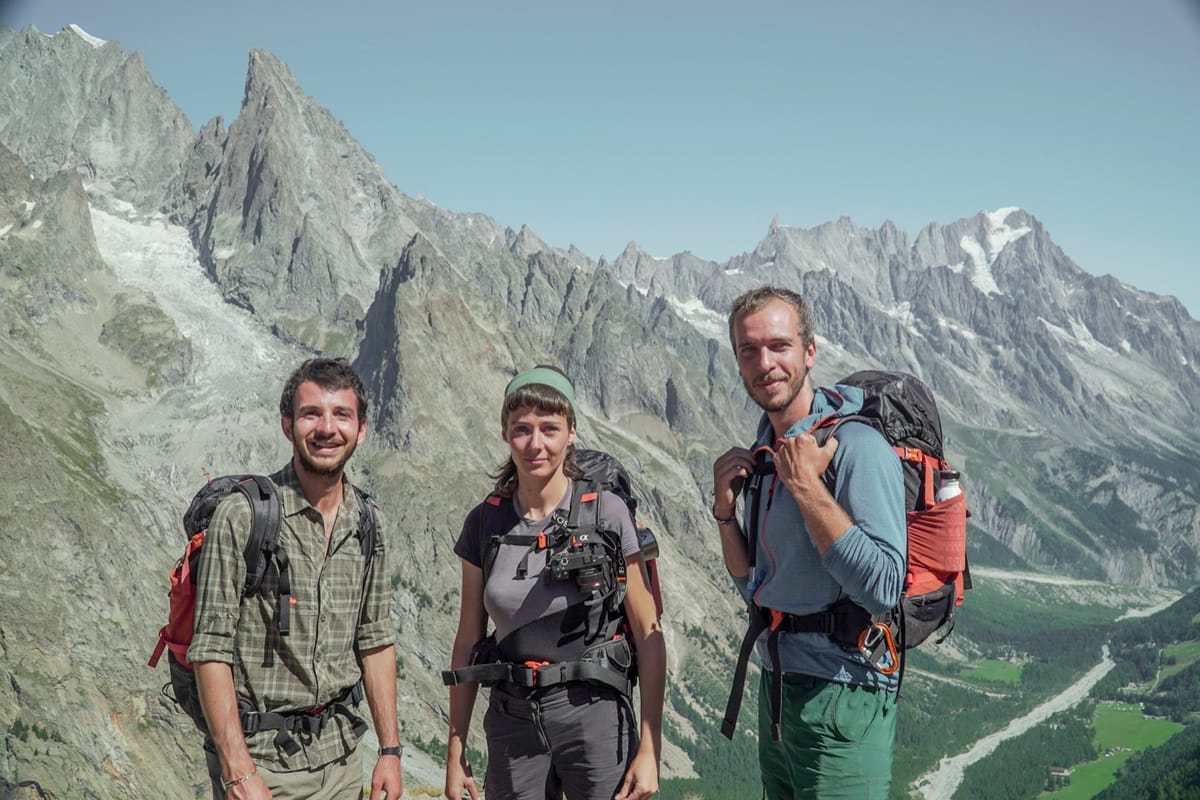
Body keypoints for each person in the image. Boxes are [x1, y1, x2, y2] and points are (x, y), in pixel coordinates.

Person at [712, 286, 907, 799]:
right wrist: (725, 514)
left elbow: (884, 587)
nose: (765, 363)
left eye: (779, 346)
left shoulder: (857, 447)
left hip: (845, 692)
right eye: (749, 350)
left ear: (809, 352)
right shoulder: (766, 454)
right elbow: (755, 585)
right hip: (779, 689)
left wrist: (805, 487)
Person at [444, 365, 665, 800]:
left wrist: (650, 748)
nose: (536, 443)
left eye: (550, 428)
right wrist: (456, 749)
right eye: (522, 429)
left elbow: (648, 632)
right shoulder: (484, 522)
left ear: (571, 433)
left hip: (597, 716)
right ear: (506, 434)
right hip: (512, 719)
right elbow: (468, 637)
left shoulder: (608, 514)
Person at [188, 357, 403, 800]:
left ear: (361, 429)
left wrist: (390, 750)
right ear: (288, 425)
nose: (327, 428)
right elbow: (209, 647)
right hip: (265, 766)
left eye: (341, 414)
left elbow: (375, 639)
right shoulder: (244, 516)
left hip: (343, 760)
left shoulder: (368, 522)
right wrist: (237, 771)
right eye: (311, 414)